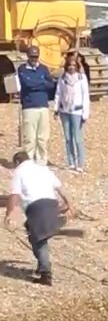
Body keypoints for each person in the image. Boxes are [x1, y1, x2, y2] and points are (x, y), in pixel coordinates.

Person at [4, 151, 74, 286]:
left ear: (17, 162)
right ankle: (44, 260)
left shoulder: (19, 171)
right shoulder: (42, 168)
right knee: (32, 231)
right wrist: (70, 203)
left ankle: (45, 274)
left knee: (39, 239)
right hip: (51, 204)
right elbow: (59, 187)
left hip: (37, 207)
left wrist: (9, 214)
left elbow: (14, 195)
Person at [14, 46, 56, 165]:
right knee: (29, 138)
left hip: (43, 105)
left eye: (36, 56)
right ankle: (29, 161)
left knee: (43, 137)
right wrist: (41, 82)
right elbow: (26, 83)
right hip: (29, 106)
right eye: (32, 56)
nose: (34, 59)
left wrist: (36, 83)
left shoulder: (43, 68)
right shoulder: (22, 69)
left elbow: (50, 85)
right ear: (28, 56)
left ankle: (42, 160)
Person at [54, 56, 91, 173]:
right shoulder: (63, 78)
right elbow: (58, 94)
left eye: (74, 65)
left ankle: (80, 163)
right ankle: (70, 161)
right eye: (69, 65)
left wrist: (86, 113)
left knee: (78, 138)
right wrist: (56, 109)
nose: (71, 67)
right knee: (68, 138)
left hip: (77, 111)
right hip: (65, 111)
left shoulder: (81, 78)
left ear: (77, 67)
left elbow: (86, 96)